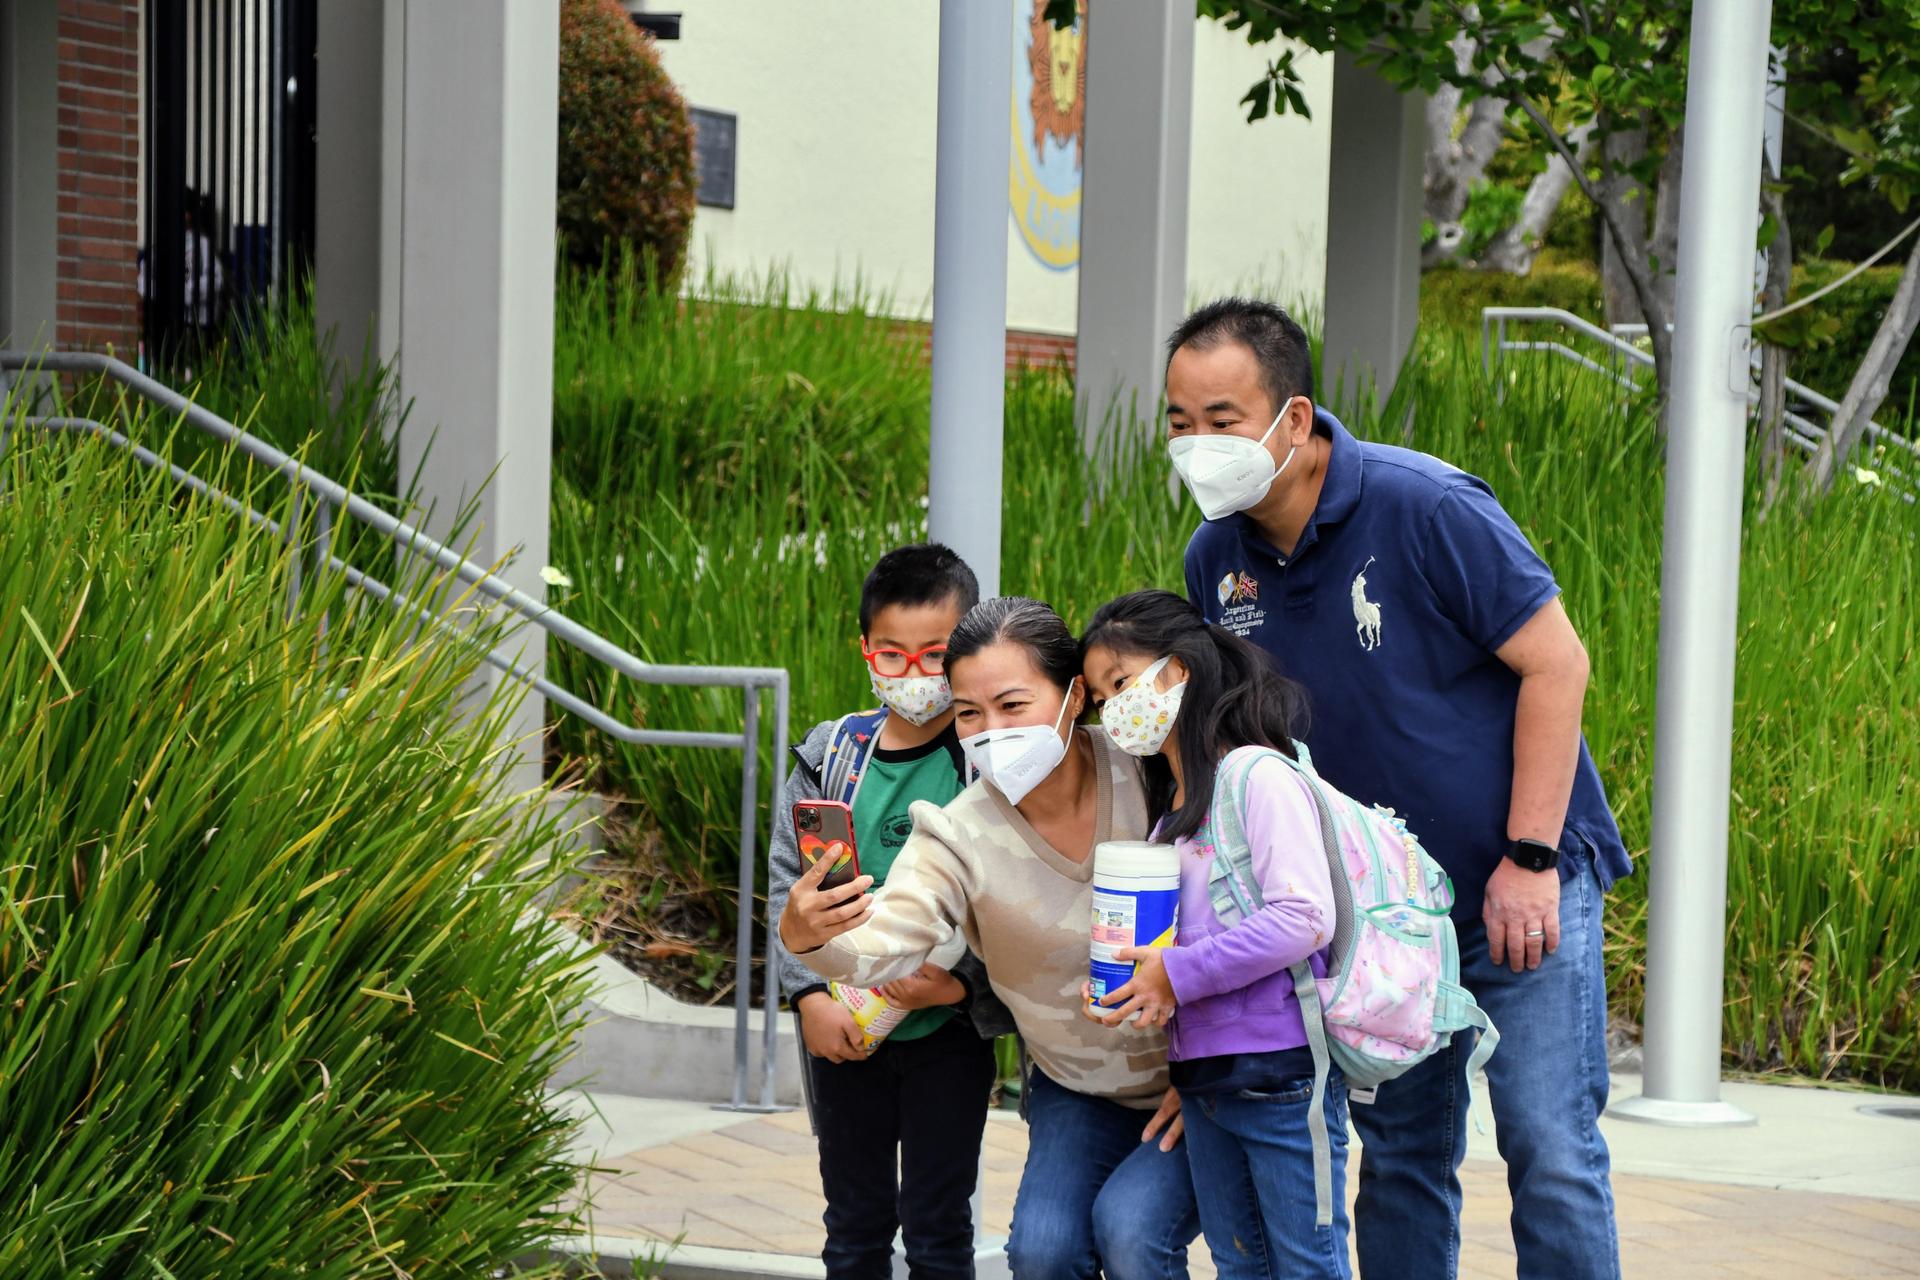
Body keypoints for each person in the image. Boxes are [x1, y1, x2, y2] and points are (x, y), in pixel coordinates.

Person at [1164, 297, 1632, 1280]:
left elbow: (1559, 664)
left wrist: (1531, 858)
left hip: (1518, 875)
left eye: (1222, 419)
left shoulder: (1426, 506)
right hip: (1382, 912)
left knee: (1549, 1147)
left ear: (1294, 419)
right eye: (1178, 421)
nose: (1198, 445)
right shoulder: (1216, 560)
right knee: (1405, 1156)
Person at [781, 596, 1204, 1280]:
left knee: (1132, 1235)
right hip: (1079, 1088)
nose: (991, 732)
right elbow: (892, 930)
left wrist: (1211, 1067)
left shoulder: (1151, 774)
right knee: (1041, 1253)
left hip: (1201, 1073)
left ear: (1072, 699)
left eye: (1013, 706)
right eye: (970, 714)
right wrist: (811, 940)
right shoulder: (958, 829)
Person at [1079, 588, 1349, 1280]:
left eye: (1123, 682)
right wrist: (1137, 984)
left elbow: (1304, 916)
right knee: (1241, 1266)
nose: (1115, 709)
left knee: (1305, 1264)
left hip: (1281, 1072)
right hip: (1204, 1080)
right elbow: (1185, 947)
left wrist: (1175, 972)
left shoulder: (1256, 774)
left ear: (1181, 669)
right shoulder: (1171, 814)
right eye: (1102, 698)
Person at [767, 544, 1009, 1280]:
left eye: (935, 655)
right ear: (865, 650)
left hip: (947, 1034)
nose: (914, 676)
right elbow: (788, 883)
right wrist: (806, 994)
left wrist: (964, 985)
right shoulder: (831, 755)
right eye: (892, 656)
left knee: (938, 1226)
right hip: (842, 1029)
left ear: (968, 647)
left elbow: (1014, 894)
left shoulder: (991, 759)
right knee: (854, 1225)